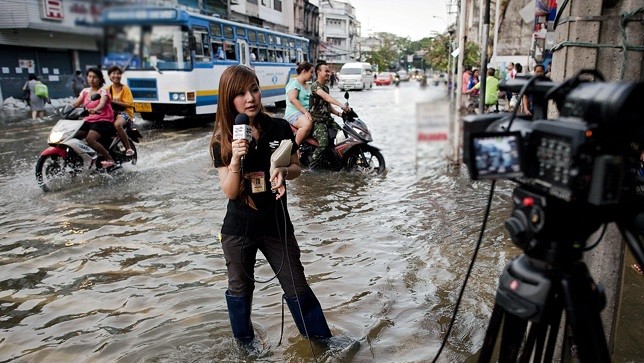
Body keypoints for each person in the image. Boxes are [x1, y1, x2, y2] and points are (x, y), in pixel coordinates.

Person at [209, 65, 332, 344]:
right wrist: (236, 160)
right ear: (228, 99)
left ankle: (323, 342)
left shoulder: (278, 127)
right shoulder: (222, 140)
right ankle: (246, 346)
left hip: (276, 223)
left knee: (297, 285)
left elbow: (296, 167)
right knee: (239, 289)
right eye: (240, 94)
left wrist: (283, 172)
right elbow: (229, 191)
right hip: (238, 229)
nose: (250, 98)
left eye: (254, 89)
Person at [71, 67, 116, 168]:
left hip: (103, 120)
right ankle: (78, 159)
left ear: (100, 79)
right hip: (89, 121)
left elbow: (102, 104)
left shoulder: (103, 91)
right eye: (89, 76)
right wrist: (65, 110)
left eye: (94, 77)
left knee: (90, 139)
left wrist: (95, 109)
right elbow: (76, 103)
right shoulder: (85, 91)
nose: (91, 79)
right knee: (72, 136)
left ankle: (109, 158)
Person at [309, 62, 350, 166]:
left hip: (328, 120)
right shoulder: (315, 86)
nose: (329, 73)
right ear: (318, 72)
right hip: (318, 121)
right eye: (326, 71)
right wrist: (341, 105)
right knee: (324, 143)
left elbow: (327, 105)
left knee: (343, 136)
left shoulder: (326, 88)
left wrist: (340, 114)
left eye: (329, 71)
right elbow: (326, 97)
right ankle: (311, 165)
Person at [107, 65, 135, 157]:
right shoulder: (107, 89)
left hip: (125, 114)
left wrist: (112, 101)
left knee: (117, 125)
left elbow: (129, 104)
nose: (116, 75)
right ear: (109, 76)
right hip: (111, 114)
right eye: (113, 73)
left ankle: (128, 148)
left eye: (118, 73)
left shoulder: (125, 88)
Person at [284, 61, 314, 146]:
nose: (312, 75)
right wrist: (305, 112)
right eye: (311, 72)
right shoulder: (294, 83)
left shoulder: (309, 85)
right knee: (307, 124)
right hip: (294, 113)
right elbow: (292, 99)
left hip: (305, 113)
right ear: (304, 71)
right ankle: (295, 148)